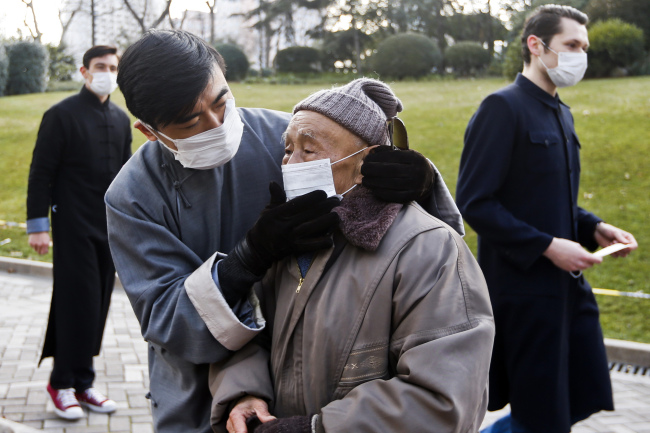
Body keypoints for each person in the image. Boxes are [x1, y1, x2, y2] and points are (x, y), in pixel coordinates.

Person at [105, 30, 462, 433]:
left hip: (306, 380)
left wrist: (419, 181)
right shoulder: (131, 196)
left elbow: (385, 212)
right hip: (194, 398)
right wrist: (248, 259)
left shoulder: (287, 137)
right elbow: (168, 319)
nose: (217, 124)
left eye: (221, 102)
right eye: (191, 121)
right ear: (150, 131)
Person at [208, 78, 495, 433]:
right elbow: (250, 329)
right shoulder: (288, 237)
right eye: (287, 149)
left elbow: (443, 400)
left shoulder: (428, 249)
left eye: (309, 151)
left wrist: (314, 429)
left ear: (367, 162)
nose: (291, 163)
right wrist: (244, 392)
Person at [456, 5, 638, 433]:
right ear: (536, 46)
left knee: (582, 393)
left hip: (568, 289)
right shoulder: (501, 108)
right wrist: (547, 246)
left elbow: (550, 197)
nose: (581, 55)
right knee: (543, 415)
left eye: (584, 47)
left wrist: (593, 227)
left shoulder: (561, 111)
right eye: (572, 45)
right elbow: (475, 202)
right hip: (523, 294)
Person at [26, 45, 132, 419]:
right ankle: (61, 382)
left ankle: (84, 383)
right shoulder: (60, 115)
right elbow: (41, 173)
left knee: (99, 301)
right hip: (71, 226)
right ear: (84, 71)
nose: (106, 72)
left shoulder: (121, 120)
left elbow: (125, 179)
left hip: (107, 227)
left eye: (112, 67)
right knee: (78, 302)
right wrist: (38, 227)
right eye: (99, 66)